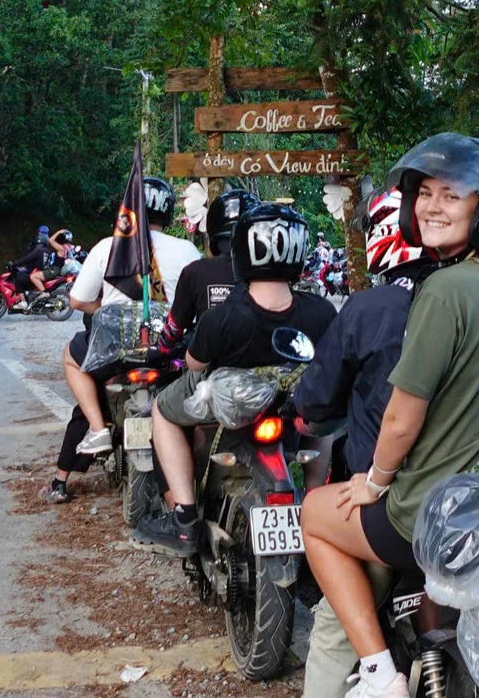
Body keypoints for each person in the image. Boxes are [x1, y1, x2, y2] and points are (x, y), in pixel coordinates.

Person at [300, 133, 479, 698]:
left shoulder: (443, 289)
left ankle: (380, 675)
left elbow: (401, 422)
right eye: (426, 193)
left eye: (452, 196)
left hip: (435, 514)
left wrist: (374, 481)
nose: (433, 206)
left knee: (315, 513)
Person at [131, 203, 337, 555]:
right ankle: (316, 499)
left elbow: (194, 365)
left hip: (226, 405)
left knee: (163, 413)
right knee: (328, 417)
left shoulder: (222, 318)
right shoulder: (321, 311)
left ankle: (183, 516)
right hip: (291, 405)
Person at [293, 188, 427, 698]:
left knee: (334, 625)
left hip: (396, 506)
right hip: (476, 498)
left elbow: (317, 399)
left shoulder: (372, 308)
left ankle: (373, 673)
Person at [39, 177, 201, 504]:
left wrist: (107, 310)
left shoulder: (107, 247)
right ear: (168, 213)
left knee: (75, 362)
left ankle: (85, 447)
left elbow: (77, 301)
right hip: (166, 351)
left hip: (116, 350)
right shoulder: (187, 250)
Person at [156, 189, 260, 356]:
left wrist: (161, 348)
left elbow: (174, 329)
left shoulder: (195, 271)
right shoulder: (267, 274)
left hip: (206, 367)